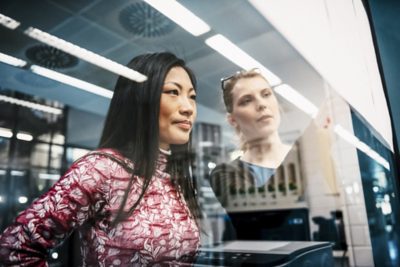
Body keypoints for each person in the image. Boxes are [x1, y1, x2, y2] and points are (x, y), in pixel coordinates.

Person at [0, 52, 201, 266]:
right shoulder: (100, 169)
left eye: (192, 96)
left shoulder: (173, 178)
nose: (188, 107)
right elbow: (14, 248)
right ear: (140, 100)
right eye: (173, 92)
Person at [210, 68, 291, 210]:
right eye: (246, 101)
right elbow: (265, 215)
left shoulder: (308, 159)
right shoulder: (225, 174)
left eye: (266, 94)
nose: (261, 104)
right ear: (233, 120)